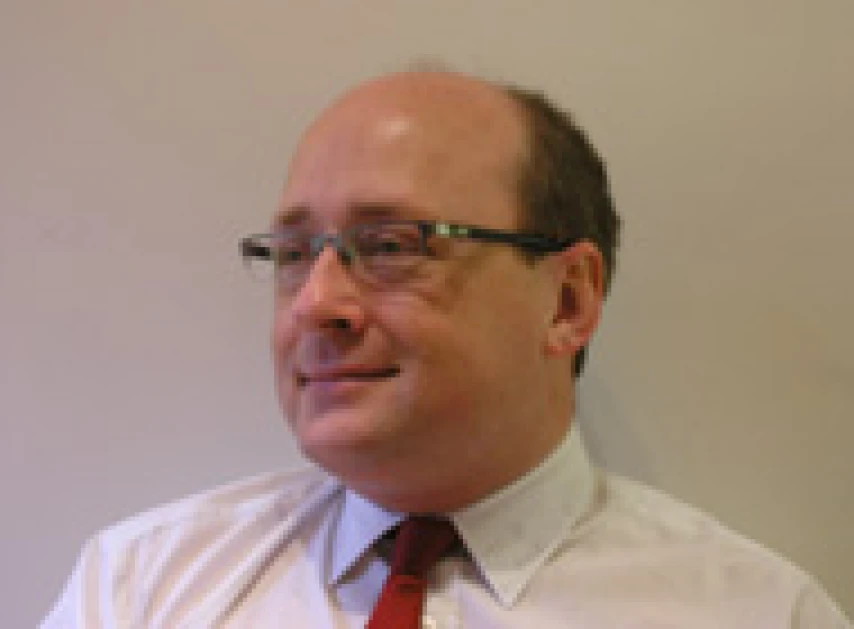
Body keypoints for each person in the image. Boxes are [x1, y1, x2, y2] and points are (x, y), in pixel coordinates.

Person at [41, 70, 850, 628]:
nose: (316, 302)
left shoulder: (754, 613)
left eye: (392, 245)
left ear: (568, 301)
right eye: (292, 254)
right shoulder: (140, 587)